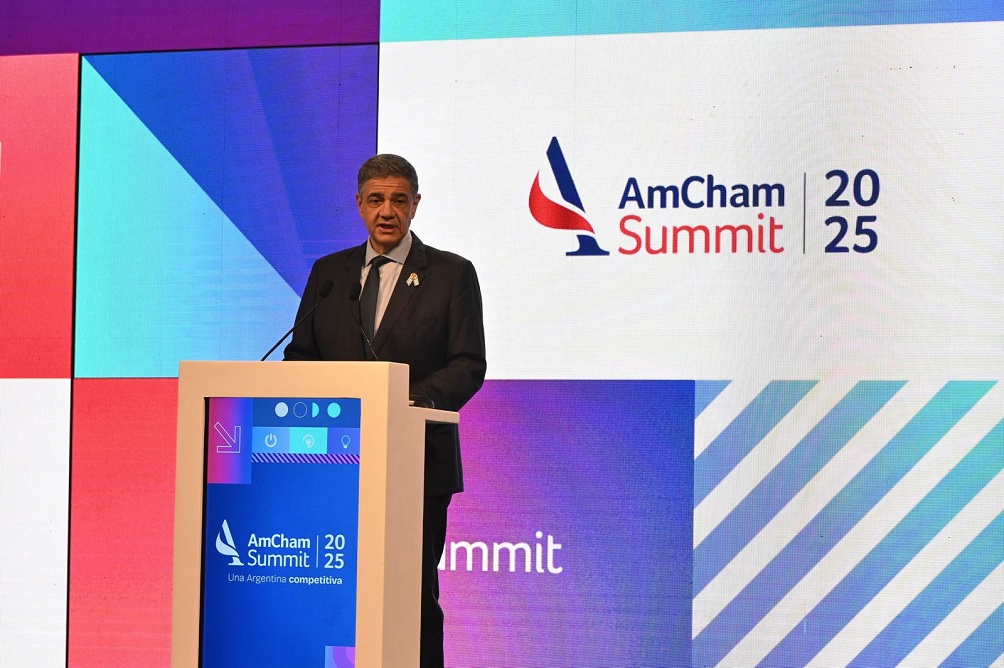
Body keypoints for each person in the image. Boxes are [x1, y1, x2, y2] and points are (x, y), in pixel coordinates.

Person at [284, 154, 486, 667]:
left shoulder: (451, 274)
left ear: (415, 205)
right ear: (359, 205)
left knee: (411, 598)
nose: (387, 211)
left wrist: (408, 403)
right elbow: (300, 357)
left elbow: (468, 363)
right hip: (334, 464)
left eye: (399, 200)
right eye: (376, 200)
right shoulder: (329, 274)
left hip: (416, 465)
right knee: (333, 594)